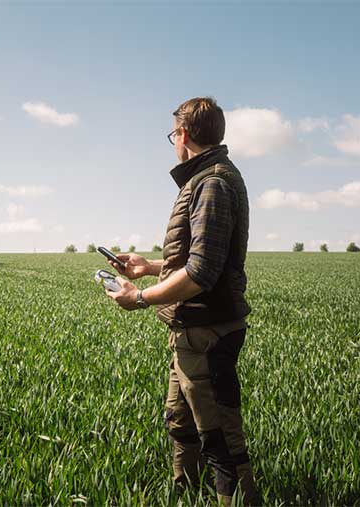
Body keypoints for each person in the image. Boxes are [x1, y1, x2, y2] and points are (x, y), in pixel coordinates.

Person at [107, 97, 259, 506]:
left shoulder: (211, 183)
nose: (174, 141)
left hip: (206, 331)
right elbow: (192, 260)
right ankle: (185, 494)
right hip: (190, 332)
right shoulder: (206, 179)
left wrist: (139, 298)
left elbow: (201, 274)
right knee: (182, 424)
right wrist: (148, 267)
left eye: (173, 134)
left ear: (184, 134)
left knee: (220, 437)